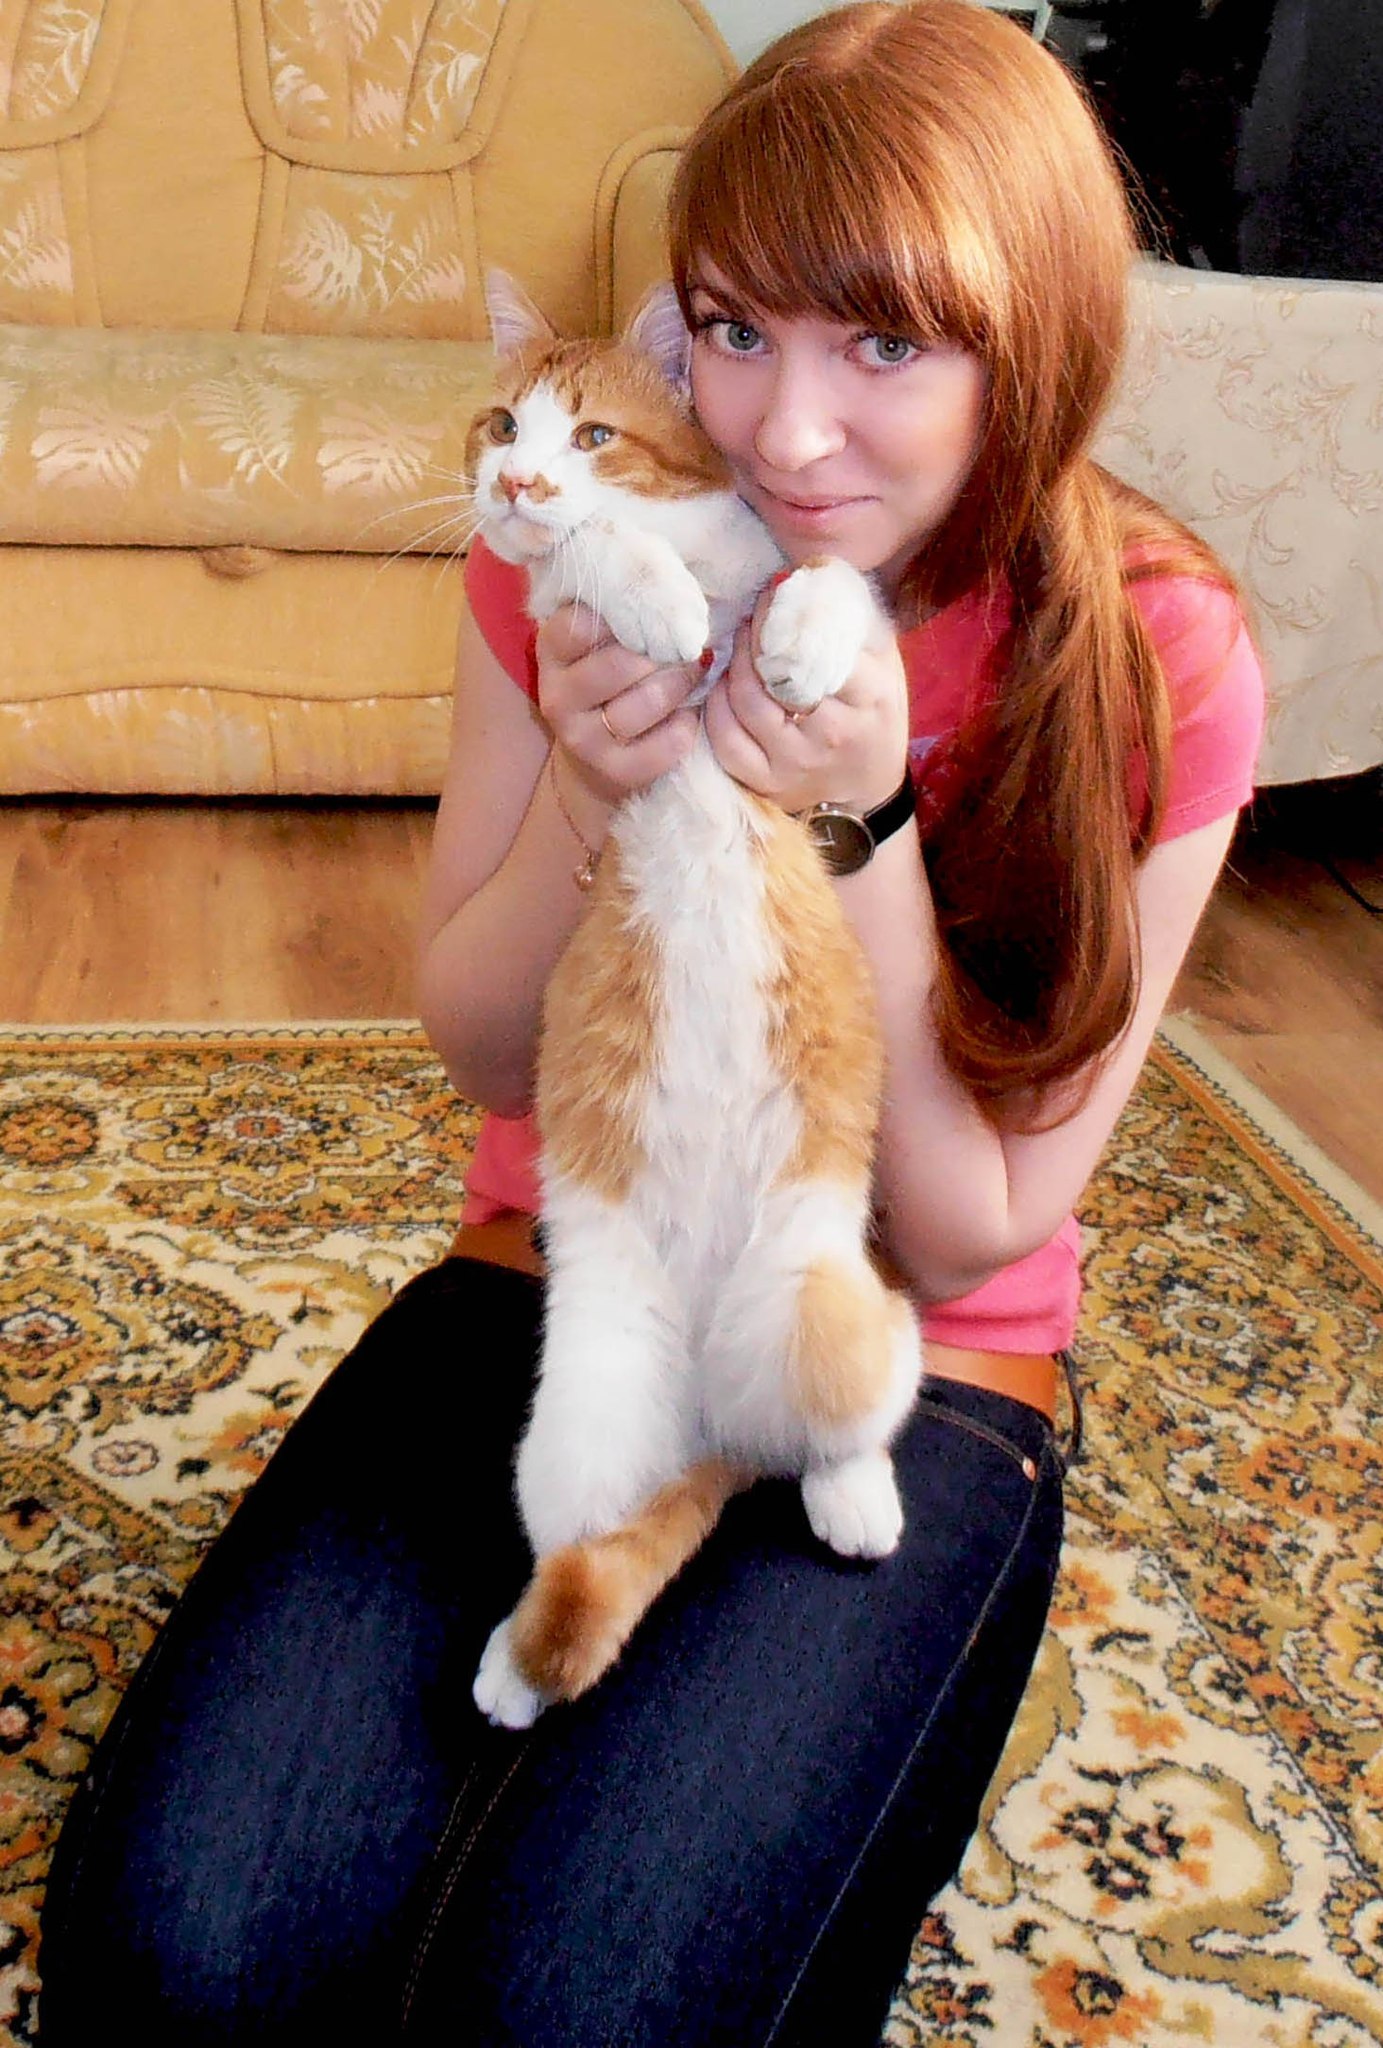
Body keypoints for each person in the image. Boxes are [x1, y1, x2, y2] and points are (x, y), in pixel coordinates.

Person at [37, 4, 1264, 2042]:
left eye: (886, 345)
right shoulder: (575, 555)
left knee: (583, 2007)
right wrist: (589, 800)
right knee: (178, 1959)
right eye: (733, 327)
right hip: (575, 1269)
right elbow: (485, 1050)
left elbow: (971, 1226)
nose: (784, 430)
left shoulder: (1150, 651)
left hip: (896, 1359)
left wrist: (857, 830)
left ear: (1029, 348)